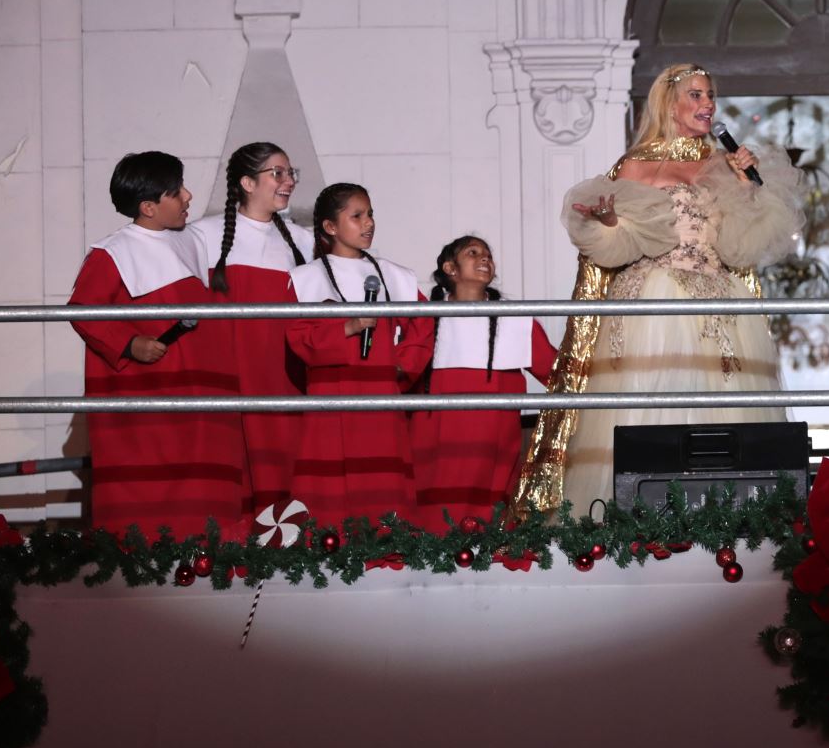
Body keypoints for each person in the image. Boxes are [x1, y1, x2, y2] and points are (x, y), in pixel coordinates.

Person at [516, 64, 801, 513]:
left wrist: (748, 189)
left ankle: (723, 516)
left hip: (718, 304)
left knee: (726, 413)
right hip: (655, 299)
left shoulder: (725, 164)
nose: (707, 104)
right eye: (696, 95)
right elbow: (619, 247)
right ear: (669, 102)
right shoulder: (636, 165)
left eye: (710, 95)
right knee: (651, 411)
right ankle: (644, 520)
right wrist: (609, 222)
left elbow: (739, 245)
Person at [69, 151, 248, 538]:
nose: (189, 196)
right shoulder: (112, 252)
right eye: (176, 191)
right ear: (149, 207)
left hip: (199, 392)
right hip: (154, 397)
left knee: (206, 485)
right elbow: (83, 310)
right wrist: (129, 343)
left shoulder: (191, 242)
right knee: (153, 491)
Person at [286, 183, 434, 524]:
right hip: (331, 390)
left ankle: (385, 543)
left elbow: (422, 328)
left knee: (381, 471)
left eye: (370, 214)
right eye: (357, 216)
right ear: (330, 227)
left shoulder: (395, 275)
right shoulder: (306, 279)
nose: (368, 223)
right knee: (330, 474)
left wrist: (402, 368)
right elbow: (298, 337)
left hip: (380, 389)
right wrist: (347, 328)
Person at [189, 141, 313, 512]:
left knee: (282, 461)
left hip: (283, 372)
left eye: (291, 173)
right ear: (246, 182)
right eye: (278, 173)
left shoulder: (303, 241)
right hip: (225, 371)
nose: (289, 181)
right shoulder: (202, 235)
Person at [411, 235, 558, 530]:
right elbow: (402, 372)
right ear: (450, 268)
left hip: (492, 444)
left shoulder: (516, 319)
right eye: (473, 253)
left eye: (488, 255)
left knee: (489, 523)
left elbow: (556, 371)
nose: (485, 259)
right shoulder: (425, 318)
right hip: (434, 444)